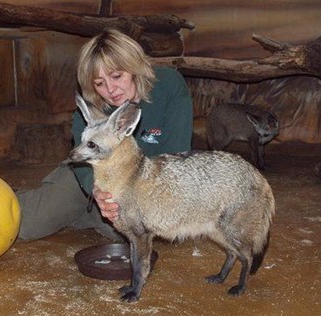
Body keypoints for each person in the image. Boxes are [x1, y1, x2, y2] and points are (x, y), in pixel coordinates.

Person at [17, 29, 193, 241]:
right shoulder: (92, 104)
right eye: (99, 83)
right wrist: (97, 190)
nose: (111, 89)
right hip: (95, 172)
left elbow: (177, 158)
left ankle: (88, 216)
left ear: (134, 67)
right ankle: (71, 204)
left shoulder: (169, 85)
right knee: (27, 225)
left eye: (117, 76)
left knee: (135, 234)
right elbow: (83, 157)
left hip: (145, 181)